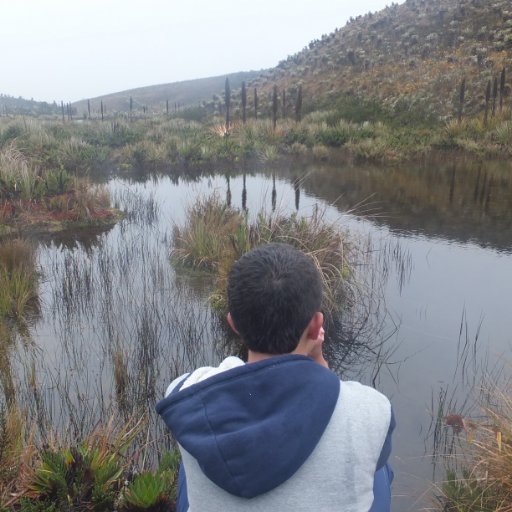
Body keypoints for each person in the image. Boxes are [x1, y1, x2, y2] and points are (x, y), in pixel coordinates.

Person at [157, 243, 395, 512]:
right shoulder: (373, 409)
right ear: (317, 325)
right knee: (379, 468)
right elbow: (334, 406)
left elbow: (238, 375)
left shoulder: (186, 393)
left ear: (233, 323)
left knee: (193, 455)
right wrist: (318, 363)